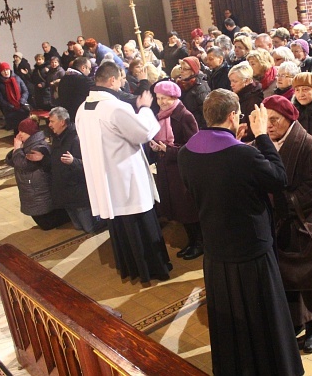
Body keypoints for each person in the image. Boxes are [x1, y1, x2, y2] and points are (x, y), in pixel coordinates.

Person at [177, 90, 304, 376]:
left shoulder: (186, 153)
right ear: (234, 116)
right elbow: (278, 178)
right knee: (263, 316)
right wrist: (262, 137)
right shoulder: (244, 153)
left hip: (216, 250)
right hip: (251, 250)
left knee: (231, 319)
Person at [76, 61, 172, 283]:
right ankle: (152, 269)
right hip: (126, 178)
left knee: (120, 224)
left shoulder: (83, 108)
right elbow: (143, 132)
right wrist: (146, 108)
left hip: (105, 178)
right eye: (120, 78)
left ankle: (131, 268)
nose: (122, 83)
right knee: (140, 223)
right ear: (111, 80)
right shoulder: (114, 107)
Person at [261, 95, 312, 354]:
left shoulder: (310, 145)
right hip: (276, 222)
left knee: (306, 277)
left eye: (275, 120)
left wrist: (281, 202)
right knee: (284, 278)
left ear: (289, 119)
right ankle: (293, 322)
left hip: (301, 221)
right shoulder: (263, 144)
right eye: (266, 120)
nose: (270, 126)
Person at [148, 81, 201, 259]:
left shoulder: (185, 116)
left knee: (188, 210)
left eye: (164, 98)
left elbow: (194, 147)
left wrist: (167, 150)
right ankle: (192, 241)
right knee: (179, 211)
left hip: (181, 170)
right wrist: (156, 147)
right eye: (158, 98)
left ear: (174, 97)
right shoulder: (161, 116)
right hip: (168, 169)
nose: (161, 102)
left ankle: (199, 243)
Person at [6, 116, 69, 230]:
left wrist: (17, 148)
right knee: (42, 221)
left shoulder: (39, 147)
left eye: (23, 132)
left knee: (46, 223)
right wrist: (17, 150)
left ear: (31, 133)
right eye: (19, 131)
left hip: (39, 190)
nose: (19, 134)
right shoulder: (26, 144)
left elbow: (24, 165)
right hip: (31, 190)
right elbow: (11, 161)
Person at [48, 107, 100, 233]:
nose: (49, 125)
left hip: (77, 191)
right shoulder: (56, 138)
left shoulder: (76, 139)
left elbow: (90, 164)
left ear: (62, 122)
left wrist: (74, 161)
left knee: (89, 228)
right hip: (64, 191)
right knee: (78, 226)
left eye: (52, 121)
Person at [229, 62, 264, 142]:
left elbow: (253, 128)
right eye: (231, 81)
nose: (231, 85)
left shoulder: (255, 99)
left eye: (235, 81)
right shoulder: (236, 95)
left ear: (247, 81)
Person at [0, 62, 30, 134]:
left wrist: (22, 101)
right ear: (0, 72)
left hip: (21, 106)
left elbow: (25, 91)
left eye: (7, 69)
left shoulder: (17, 78)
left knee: (26, 127)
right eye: (3, 70)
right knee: (16, 129)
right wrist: (9, 106)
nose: (6, 72)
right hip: (10, 109)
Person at [176, 57, 210, 129]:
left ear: (193, 71)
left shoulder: (201, 88)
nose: (181, 71)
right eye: (181, 68)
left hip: (196, 127)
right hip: (186, 126)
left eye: (185, 69)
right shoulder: (182, 84)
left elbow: (206, 113)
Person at [56, 56, 93, 122]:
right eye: (89, 69)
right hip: (79, 117)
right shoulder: (84, 81)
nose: (90, 72)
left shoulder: (64, 79)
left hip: (65, 117)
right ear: (83, 67)